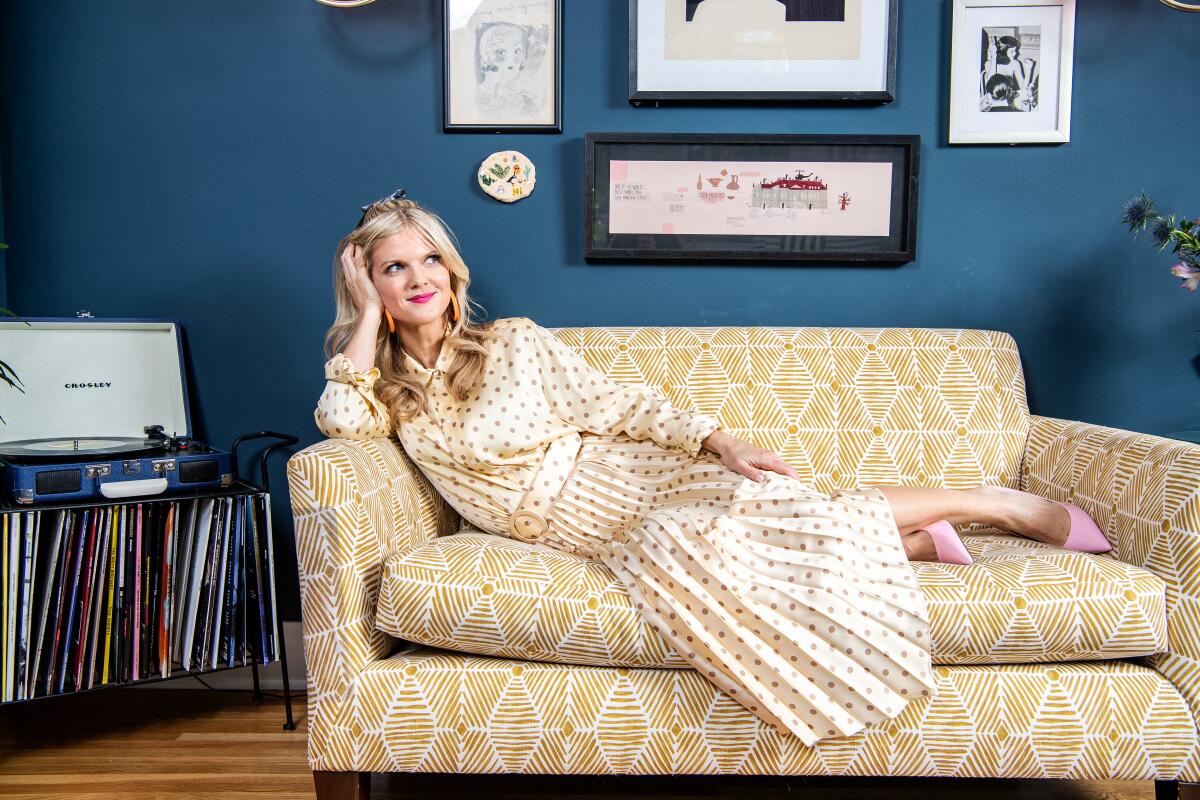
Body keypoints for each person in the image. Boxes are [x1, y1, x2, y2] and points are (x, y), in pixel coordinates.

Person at [315, 193, 1111, 745]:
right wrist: (357, 320)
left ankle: (999, 504)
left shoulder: (513, 342)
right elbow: (341, 423)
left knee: (725, 525)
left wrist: (719, 441)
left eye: (430, 262)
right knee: (689, 560)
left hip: (628, 477)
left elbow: (623, 404)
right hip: (575, 530)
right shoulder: (382, 392)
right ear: (370, 284)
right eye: (393, 268)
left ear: (453, 274)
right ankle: (919, 543)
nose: (418, 278)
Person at [979, 34, 1039, 112]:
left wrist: (1029, 70)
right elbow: (992, 85)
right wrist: (994, 56)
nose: (1015, 54)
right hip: (993, 99)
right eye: (1012, 51)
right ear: (1003, 51)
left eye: (1015, 50)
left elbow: (1023, 89)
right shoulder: (989, 64)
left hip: (1009, 97)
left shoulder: (1015, 63)